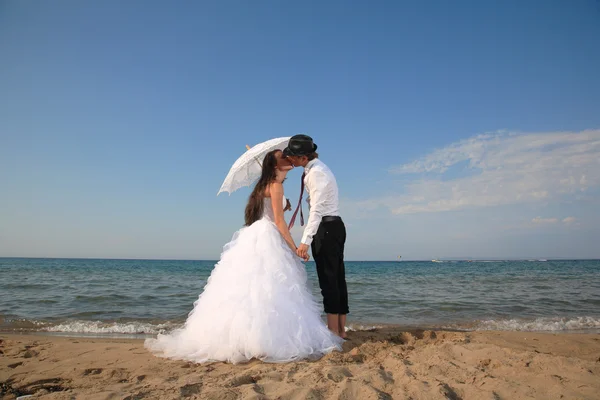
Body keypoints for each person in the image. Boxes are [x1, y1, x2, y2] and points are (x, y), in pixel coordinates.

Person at [144, 149, 343, 364]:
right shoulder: (275, 186)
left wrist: (284, 205)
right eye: (283, 158)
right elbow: (279, 222)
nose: (288, 159)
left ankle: (248, 340)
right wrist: (295, 246)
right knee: (269, 289)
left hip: (254, 235)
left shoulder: (261, 188)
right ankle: (266, 341)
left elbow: (271, 213)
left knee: (254, 290)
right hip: (269, 237)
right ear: (276, 166)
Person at [284, 135, 349, 338]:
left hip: (326, 228)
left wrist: (305, 241)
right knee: (336, 278)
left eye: (293, 157)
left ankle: (334, 331)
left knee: (329, 280)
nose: (290, 160)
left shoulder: (316, 173)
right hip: (333, 226)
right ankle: (340, 329)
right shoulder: (315, 169)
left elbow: (316, 212)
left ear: (303, 157)